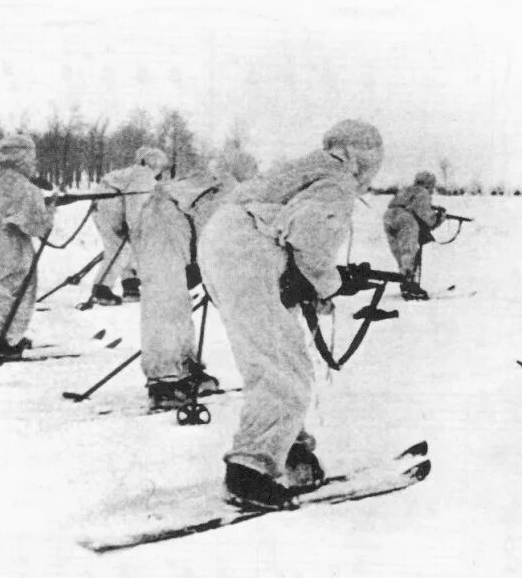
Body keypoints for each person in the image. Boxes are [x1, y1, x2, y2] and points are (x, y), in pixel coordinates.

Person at [197, 120, 384, 509]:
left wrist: (316, 282)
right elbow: (310, 235)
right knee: (282, 365)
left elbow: (286, 231)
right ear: (361, 155)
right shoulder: (337, 179)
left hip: (224, 244)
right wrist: (330, 283)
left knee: (275, 355)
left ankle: (288, 450)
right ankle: (249, 471)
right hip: (246, 251)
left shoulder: (307, 166)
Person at [132, 158, 259, 410]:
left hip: (173, 222)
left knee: (178, 304)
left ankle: (184, 368)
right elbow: (215, 235)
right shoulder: (232, 193)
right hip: (162, 222)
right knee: (166, 302)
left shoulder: (230, 189)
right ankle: (164, 381)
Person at [0, 133, 55, 362]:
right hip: (10, 244)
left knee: (3, 294)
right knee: (21, 292)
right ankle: (5, 341)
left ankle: (6, 334)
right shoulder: (26, 187)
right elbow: (37, 226)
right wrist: (49, 209)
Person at [88, 146, 169, 305]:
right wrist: (136, 228)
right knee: (120, 249)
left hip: (103, 207)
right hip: (111, 209)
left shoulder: (134, 172)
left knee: (126, 247)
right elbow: (136, 206)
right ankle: (102, 290)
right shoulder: (144, 176)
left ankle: (130, 285)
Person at [383, 171, 445, 300]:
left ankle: (405, 280)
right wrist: (438, 218)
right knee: (409, 250)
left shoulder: (405, 190)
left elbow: (410, 205)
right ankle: (410, 285)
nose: (432, 190)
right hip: (405, 218)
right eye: (432, 186)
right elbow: (425, 215)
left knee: (399, 253)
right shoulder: (423, 192)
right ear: (428, 184)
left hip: (388, 216)